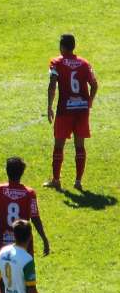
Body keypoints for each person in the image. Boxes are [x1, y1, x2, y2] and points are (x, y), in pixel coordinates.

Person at [45, 34, 98, 191]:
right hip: (81, 110)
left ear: (62, 47)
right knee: (80, 146)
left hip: (65, 110)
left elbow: (52, 85)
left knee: (59, 145)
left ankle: (56, 180)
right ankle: (78, 181)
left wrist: (49, 106)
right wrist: (89, 102)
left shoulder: (56, 62)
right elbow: (94, 85)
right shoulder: (84, 63)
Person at [0, 157, 49, 255]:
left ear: (7, 171)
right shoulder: (29, 193)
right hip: (24, 246)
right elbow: (35, 218)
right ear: (22, 172)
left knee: (3, 270)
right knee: (26, 270)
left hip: (4, 244)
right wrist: (44, 239)